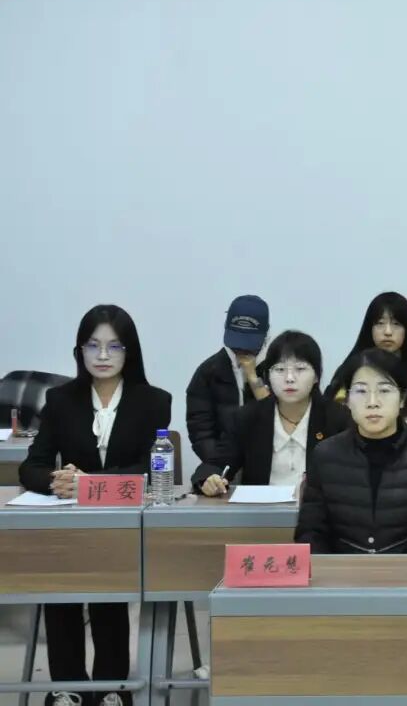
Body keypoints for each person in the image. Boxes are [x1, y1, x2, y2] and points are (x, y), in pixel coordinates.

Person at [19, 305, 171, 706]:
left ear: (129, 351)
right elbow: (31, 466)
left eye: (113, 346)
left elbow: (149, 468)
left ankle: (111, 688)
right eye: (93, 345)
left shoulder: (153, 401)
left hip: (125, 524)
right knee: (60, 589)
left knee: (109, 592)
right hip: (68, 526)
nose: (103, 355)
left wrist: (91, 484)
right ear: (80, 350)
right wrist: (56, 481)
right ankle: (67, 687)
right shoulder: (60, 399)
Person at [295, 348, 407, 554]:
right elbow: (311, 535)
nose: (372, 403)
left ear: (403, 399)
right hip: (343, 571)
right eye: (361, 391)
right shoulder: (325, 455)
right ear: (347, 399)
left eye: (384, 391)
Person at [191, 330, 351, 495]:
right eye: (280, 369)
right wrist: (209, 479)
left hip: (318, 510)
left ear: (316, 376)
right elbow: (215, 464)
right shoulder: (248, 418)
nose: (289, 378)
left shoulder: (338, 419)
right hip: (261, 510)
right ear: (268, 375)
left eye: (300, 369)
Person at [325, 292, 407, 426]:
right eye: (380, 323)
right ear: (369, 328)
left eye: (396, 324)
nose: (388, 331)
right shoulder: (350, 369)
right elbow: (336, 419)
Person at [186, 295, 271, 466]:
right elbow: (201, 429)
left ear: (266, 334)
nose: (241, 349)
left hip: (270, 465)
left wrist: (253, 378)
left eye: (249, 343)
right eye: (237, 342)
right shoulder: (208, 372)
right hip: (221, 465)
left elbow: (280, 416)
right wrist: (219, 465)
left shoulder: (277, 369)